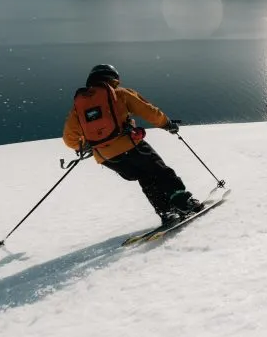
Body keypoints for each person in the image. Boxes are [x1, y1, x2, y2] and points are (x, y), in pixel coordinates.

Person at [63, 64, 203, 225]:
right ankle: (184, 204)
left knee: (145, 177)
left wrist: (88, 144)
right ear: (113, 78)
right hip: (130, 145)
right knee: (160, 171)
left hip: (106, 157)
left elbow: (69, 139)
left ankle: (166, 212)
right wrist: (166, 123)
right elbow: (148, 110)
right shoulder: (120, 94)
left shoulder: (78, 108)